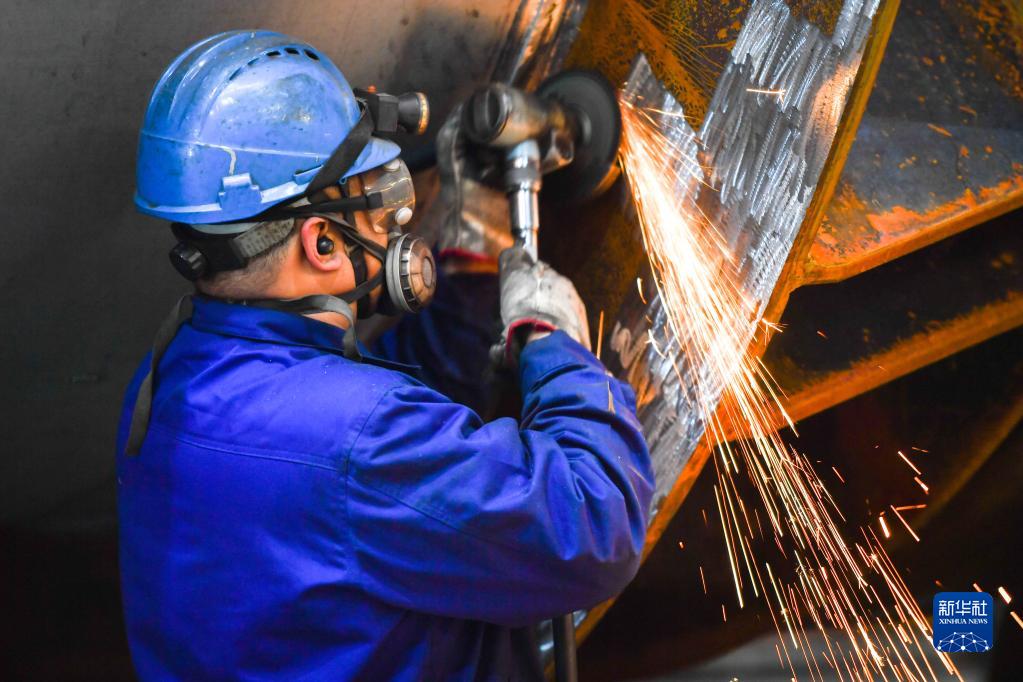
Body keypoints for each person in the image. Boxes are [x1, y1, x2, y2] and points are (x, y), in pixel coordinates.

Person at [118, 30, 654, 680]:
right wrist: (555, 346)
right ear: (321, 243)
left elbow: (383, 424)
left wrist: (473, 253)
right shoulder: (358, 440)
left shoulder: (170, 375)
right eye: (371, 196)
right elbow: (595, 526)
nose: (392, 219)